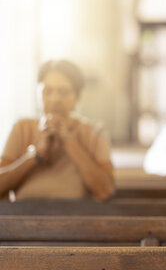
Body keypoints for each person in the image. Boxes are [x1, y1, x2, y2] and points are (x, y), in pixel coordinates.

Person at [0, 59, 114, 201]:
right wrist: (36, 155)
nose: (55, 99)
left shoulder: (95, 132)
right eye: (47, 91)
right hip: (24, 220)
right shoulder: (21, 129)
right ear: (39, 95)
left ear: (77, 97)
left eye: (63, 92)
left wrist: (69, 142)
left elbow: (106, 190)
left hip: (78, 220)